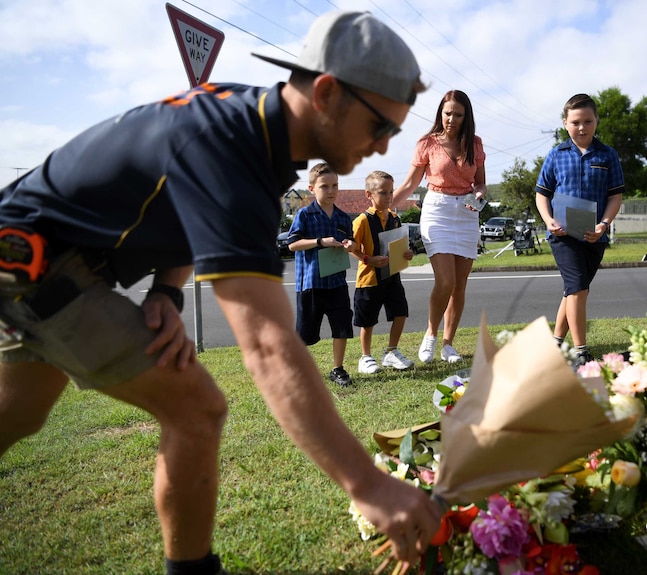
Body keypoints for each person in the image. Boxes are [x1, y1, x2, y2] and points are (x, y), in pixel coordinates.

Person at [0, 10, 440, 574]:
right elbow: (265, 344)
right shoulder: (235, 148)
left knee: (18, 415)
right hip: (35, 260)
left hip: (41, 256)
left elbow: (182, 203)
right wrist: (365, 483)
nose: (382, 149)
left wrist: (165, 290)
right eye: (381, 127)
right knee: (197, 409)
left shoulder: (254, 127)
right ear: (327, 93)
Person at [392, 90, 486, 364]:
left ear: (466, 116)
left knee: (459, 286)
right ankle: (431, 336)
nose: (452, 119)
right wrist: (384, 208)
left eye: (458, 114)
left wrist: (480, 194)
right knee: (445, 280)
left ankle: (448, 344)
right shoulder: (427, 143)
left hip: (467, 213)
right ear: (440, 113)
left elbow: (480, 183)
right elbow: (410, 184)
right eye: (448, 113)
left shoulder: (475, 144)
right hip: (437, 210)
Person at [535, 93, 624, 366]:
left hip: (594, 235)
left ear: (596, 121)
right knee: (577, 289)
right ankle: (580, 350)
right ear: (565, 123)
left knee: (575, 289)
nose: (582, 127)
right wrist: (548, 220)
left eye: (587, 121)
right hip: (563, 236)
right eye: (575, 122)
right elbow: (541, 193)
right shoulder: (556, 155)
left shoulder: (608, 156)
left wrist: (603, 225)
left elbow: (615, 196)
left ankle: (555, 343)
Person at [286, 162, 356, 387]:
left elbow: (353, 241)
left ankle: (338, 369)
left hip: (337, 281)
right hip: (310, 284)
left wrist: (351, 245)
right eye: (325, 186)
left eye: (335, 185)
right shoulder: (305, 215)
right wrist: (319, 242)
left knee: (342, 325)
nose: (331, 190)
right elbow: (292, 244)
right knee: (305, 332)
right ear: (311, 189)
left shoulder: (344, 218)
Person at [351, 171, 415, 374]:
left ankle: (391, 352)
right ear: (369, 194)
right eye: (383, 192)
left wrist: (406, 254)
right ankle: (365, 357)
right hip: (369, 279)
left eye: (391, 192)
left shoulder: (396, 218)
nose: (388, 196)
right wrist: (368, 259)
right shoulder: (362, 220)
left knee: (400, 312)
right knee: (367, 320)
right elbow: (351, 247)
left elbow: (398, 245)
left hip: (392, 275)